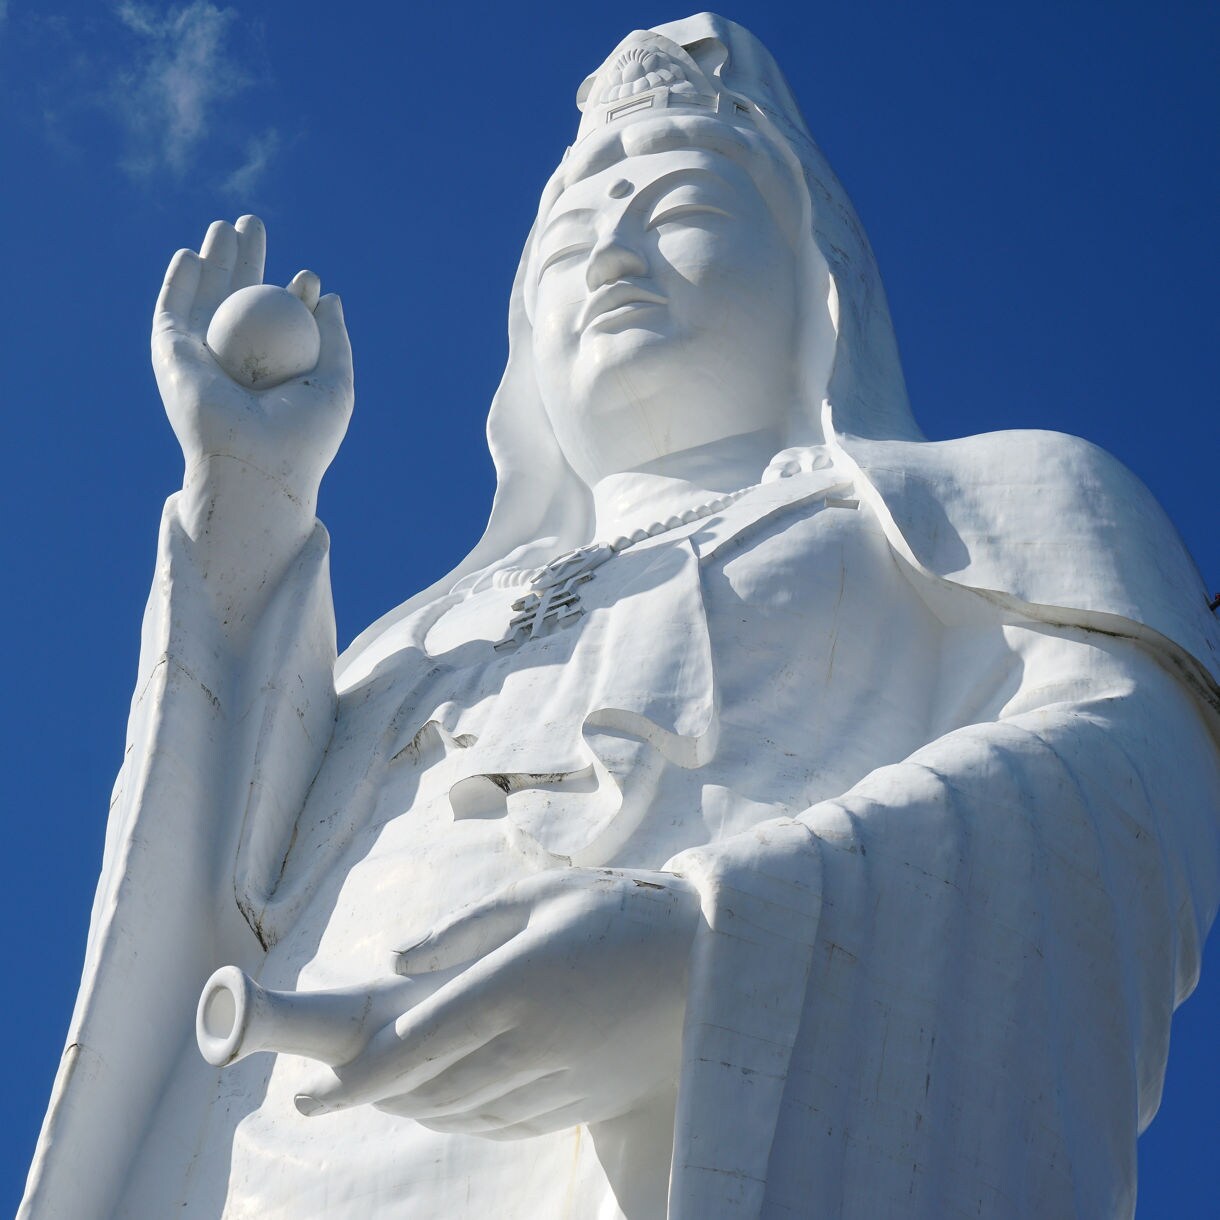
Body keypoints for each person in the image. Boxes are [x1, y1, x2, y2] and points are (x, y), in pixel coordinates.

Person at [22, 14, 1220, 1219]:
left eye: (682, 210)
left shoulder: (983, 501)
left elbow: (1132, 785)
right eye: (569, 239)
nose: (610, 259)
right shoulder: (418, 640)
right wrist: (249, 501)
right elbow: (208, 906)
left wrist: (709, 953)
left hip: (663, 1151)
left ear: (820, 276)